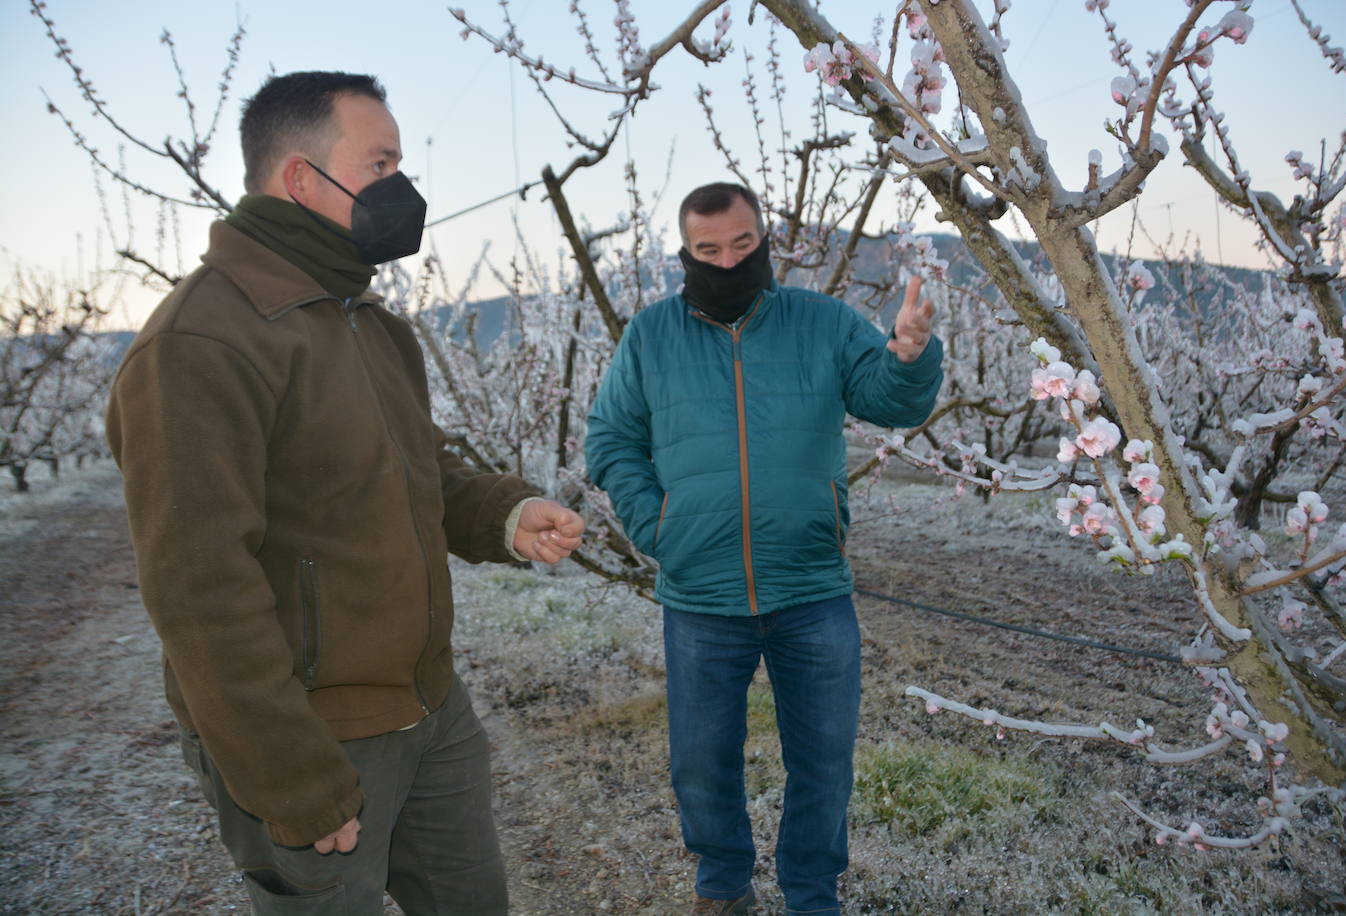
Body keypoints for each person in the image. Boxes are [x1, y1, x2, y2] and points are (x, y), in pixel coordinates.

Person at [105, 71, 584, 916]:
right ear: (299, 179)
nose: (403, 189)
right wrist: (289, 773)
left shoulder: (369, 324)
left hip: (432, 712)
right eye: (382, 164)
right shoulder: (200, 343)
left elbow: (418, 470)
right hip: (318, 743)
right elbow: (197, 586)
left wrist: (505, 515)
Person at [584, 182, 943, 915]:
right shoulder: (651, 337)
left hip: (811, 585)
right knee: (702, 764)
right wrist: (660, 527)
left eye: (742, 244)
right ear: (685, 252)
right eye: (707, 250)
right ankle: (722, 889)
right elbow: (611, 439)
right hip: (701, 594)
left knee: (823, 763)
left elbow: (887, 399)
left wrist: (908, 353)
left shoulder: (819, 321)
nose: (726, 260)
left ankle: (812, 896)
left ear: (764, 240)